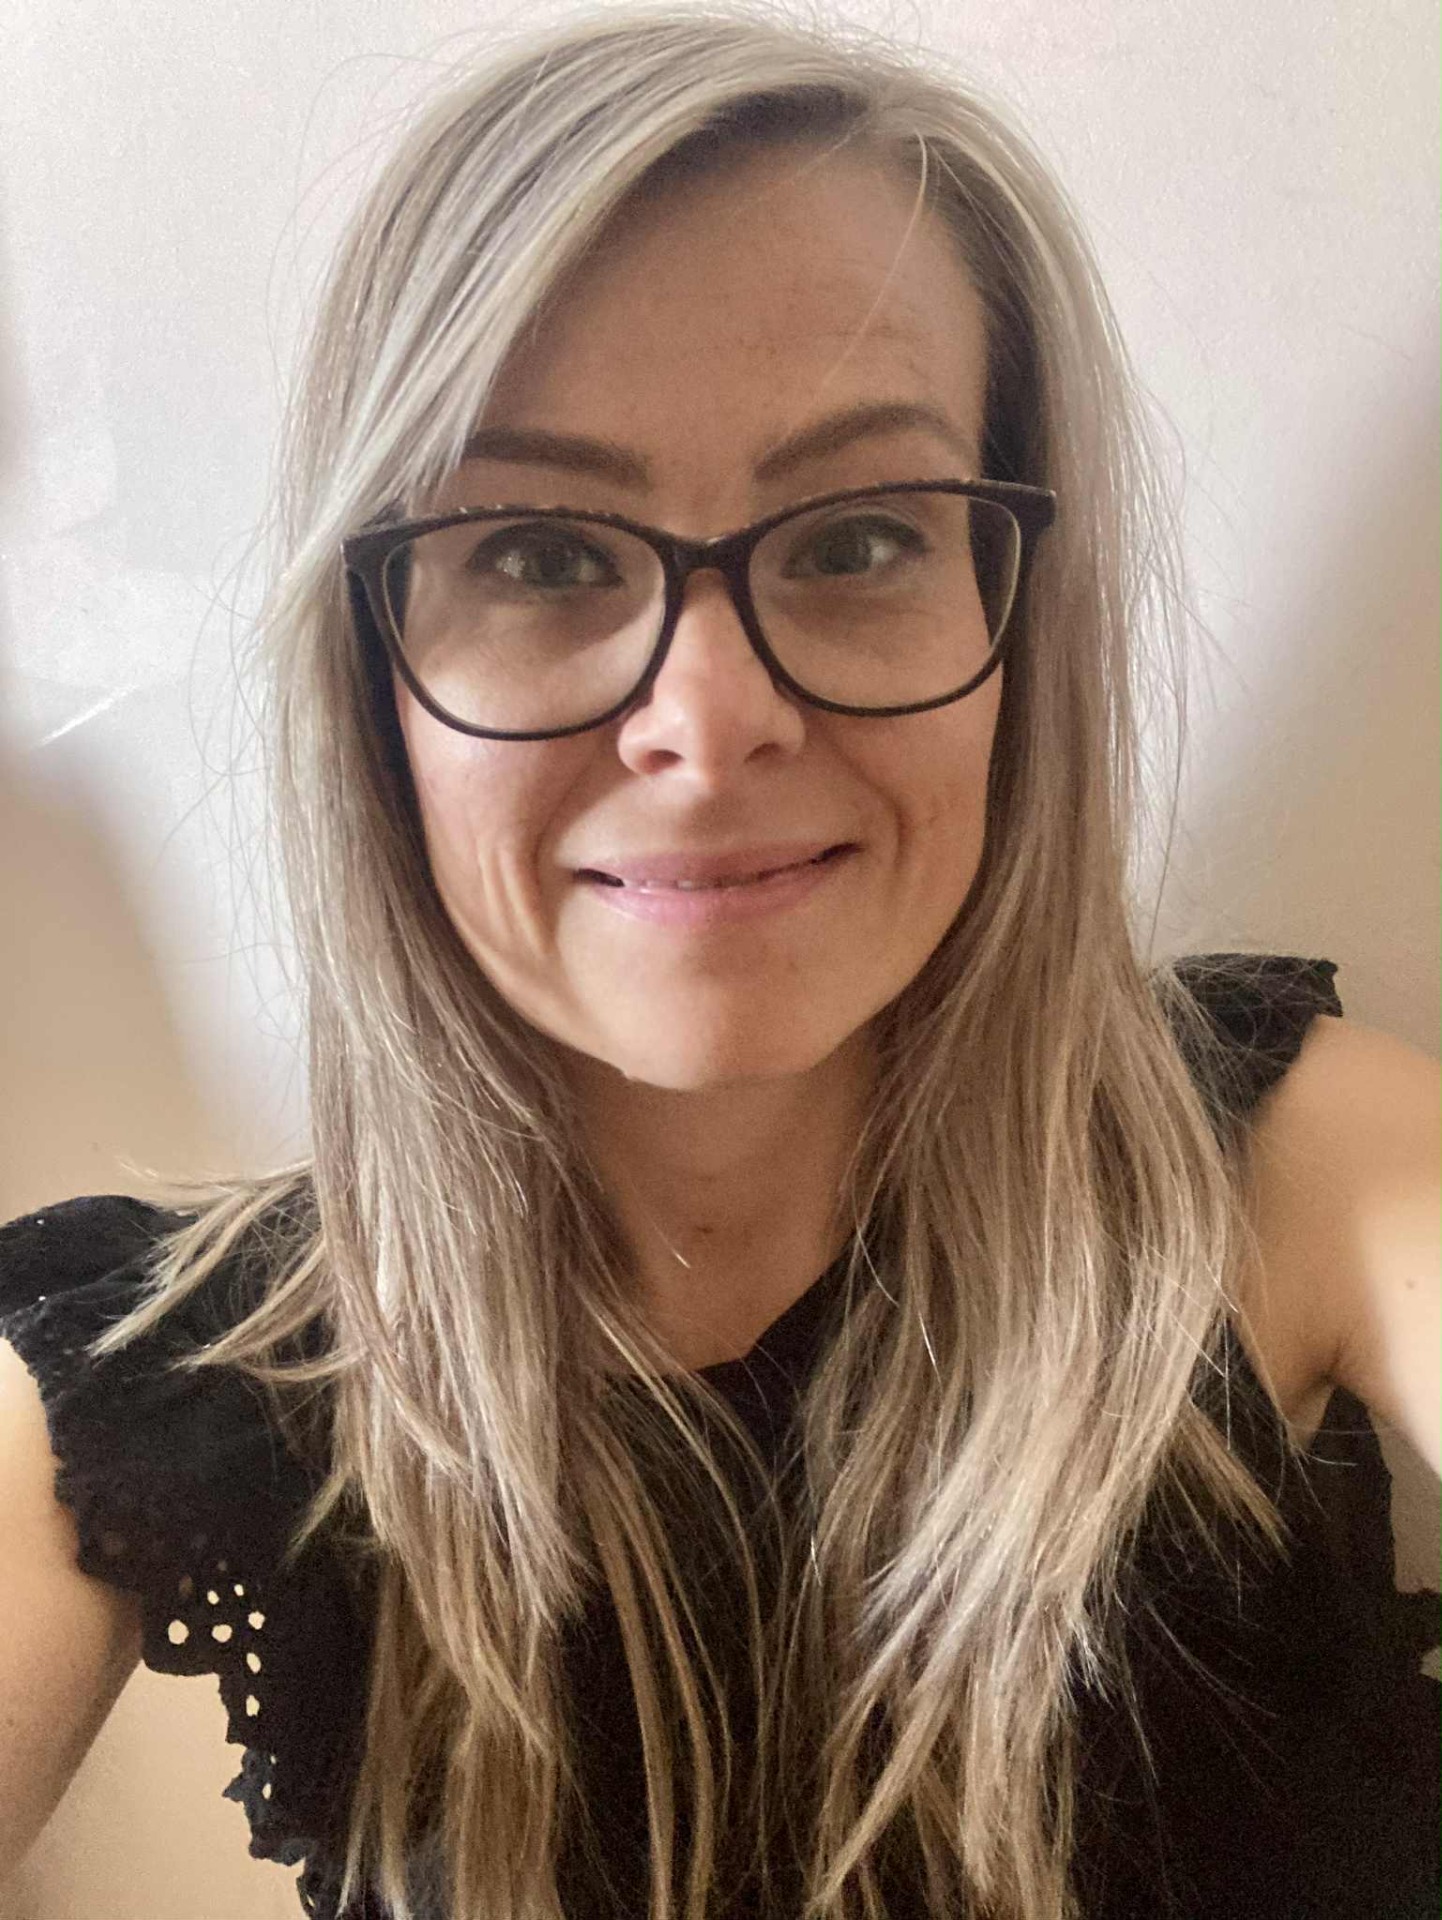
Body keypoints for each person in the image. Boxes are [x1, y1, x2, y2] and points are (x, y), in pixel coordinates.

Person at [0, 10, 1436, 1919]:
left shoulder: (1300, 1170)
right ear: (369, 672)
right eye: (537, 555)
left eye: (857, 537)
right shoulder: (142, 1381)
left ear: (1018, 622)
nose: (707, 719)